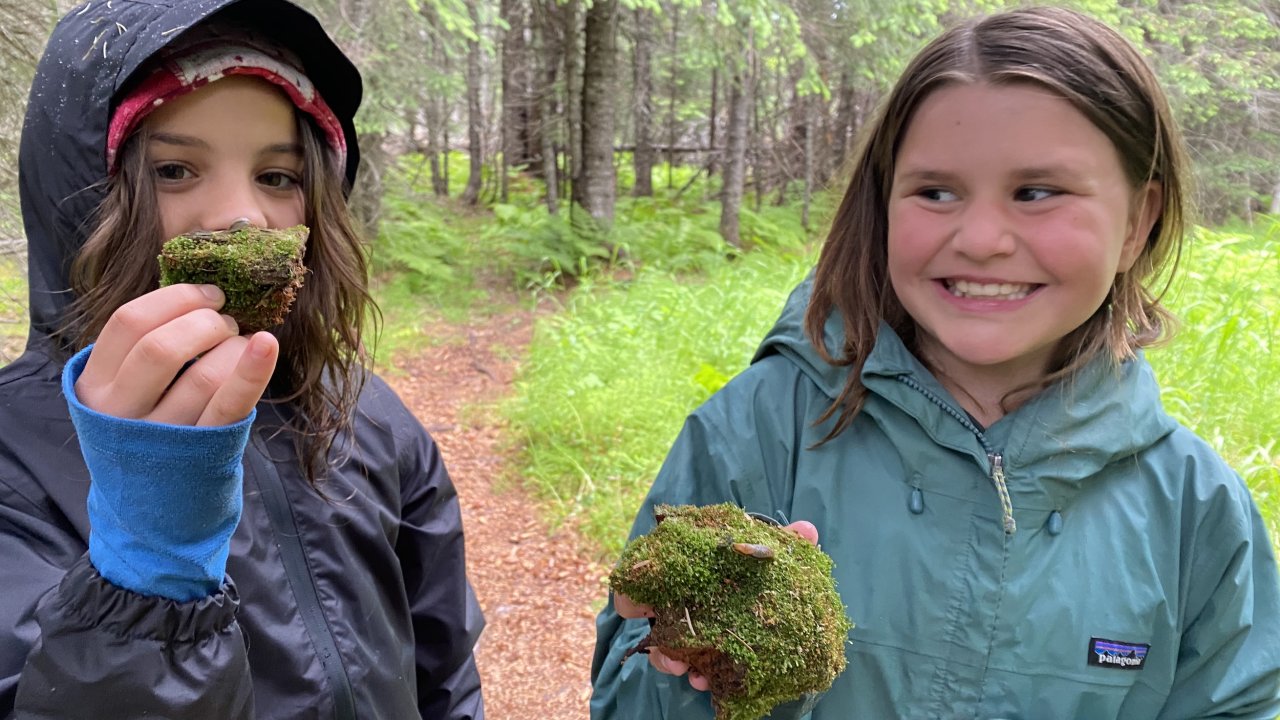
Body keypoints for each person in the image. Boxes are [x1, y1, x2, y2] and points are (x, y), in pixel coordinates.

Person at [591, 6, 1280, 719]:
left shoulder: (1195, 515)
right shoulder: (762, 430)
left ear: (1138, 221)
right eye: (936, 192)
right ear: (883, 207)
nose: (981, 238)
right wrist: (696, 665)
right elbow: (625, 690)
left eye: (1037, 192)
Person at [0, 1, 484, 717]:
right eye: (173, 168)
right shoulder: (14, 454)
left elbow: (444, 671)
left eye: (279, 178)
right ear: (81, 201)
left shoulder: (367, 414)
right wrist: (146, 578)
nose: (241, 216)